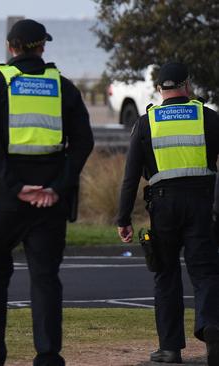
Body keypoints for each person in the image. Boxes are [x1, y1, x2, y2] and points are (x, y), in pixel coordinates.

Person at [0, 19, 94, 366]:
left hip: (4, 200)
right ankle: (47, 356)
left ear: (11, 48)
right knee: (45, 279)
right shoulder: (63, 87)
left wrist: (14, 187)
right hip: (50, 203)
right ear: (42, 47)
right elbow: (83, 142)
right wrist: (57, 187)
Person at [117, 62, 219, 366]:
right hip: (202, 204)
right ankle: (211, 329)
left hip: (163, 206)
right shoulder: (209, 117)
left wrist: (123, 219)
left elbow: (131, 175)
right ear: (187, 86)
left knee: (166, 274)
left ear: (160, 90)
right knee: (206, 272)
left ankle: (170, 349)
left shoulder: (147, 122)